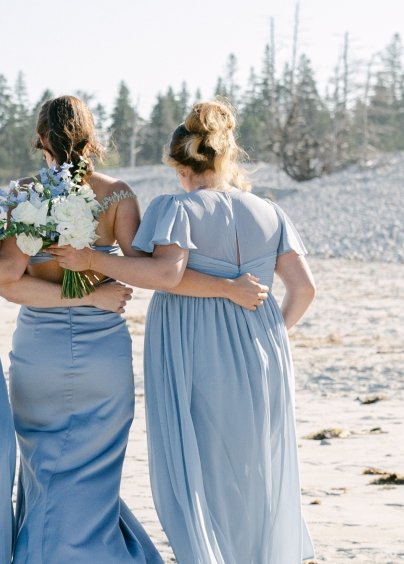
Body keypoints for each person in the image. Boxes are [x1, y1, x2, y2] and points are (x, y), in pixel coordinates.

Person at [49, 99, 317, 563]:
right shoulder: (270, 212)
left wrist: (90, 258)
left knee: (200, 463)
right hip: (264, 353)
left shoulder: (177, 207)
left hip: (195, 347)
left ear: (180, 165)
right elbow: (304, 290)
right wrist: (269, 333)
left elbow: (165, 274)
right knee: (253, 465)